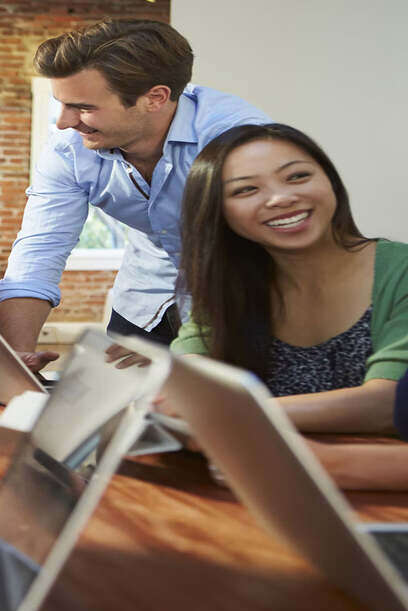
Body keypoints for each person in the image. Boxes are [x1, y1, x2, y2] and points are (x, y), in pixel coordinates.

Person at [0, 18, 269, 371]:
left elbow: (273, 249)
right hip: (145, 302)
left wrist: (186, 360)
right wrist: (16, 357)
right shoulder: (69, 150)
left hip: (240, 300)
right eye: (61, 104)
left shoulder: (237, 139)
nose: (63, 122)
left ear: (155, 98)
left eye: (83, 107)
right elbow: (40, 248)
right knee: (120, 401)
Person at [172, 122, 408, 435]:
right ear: (219, 212)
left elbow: (388, 405)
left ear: (330, 181)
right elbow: (188, 373)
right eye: (246, 189)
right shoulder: (229, 284)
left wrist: (227, 413)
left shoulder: (400, 271)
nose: (281, 198)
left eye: (297, 176)